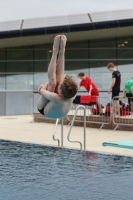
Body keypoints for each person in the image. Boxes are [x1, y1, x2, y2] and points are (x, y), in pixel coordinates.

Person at [37, 35, 78, 119]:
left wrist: (45, 84)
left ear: (60, 92)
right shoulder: (72, 94)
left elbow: (41, 91)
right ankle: (62, 51)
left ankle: (55, 51)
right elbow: (65, 87)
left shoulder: (56, 97)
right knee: (58, 81)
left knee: (53, 82)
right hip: (58, 108)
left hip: (43, 109)